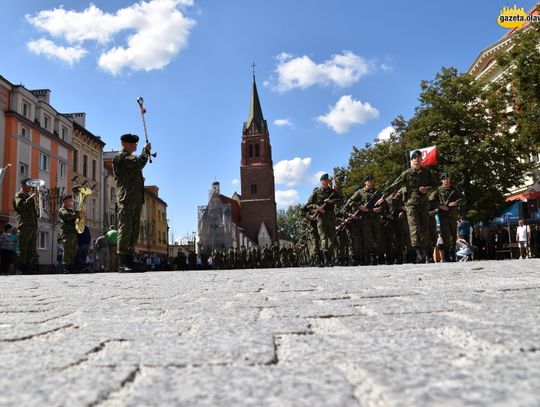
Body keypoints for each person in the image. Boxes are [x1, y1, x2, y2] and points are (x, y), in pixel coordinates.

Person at [376, 150, 438, 263]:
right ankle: (418, 254)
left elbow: (435, 185)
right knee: (414, 228)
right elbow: (395, 185)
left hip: (424, 204)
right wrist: (383, 197)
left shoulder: (427, 173)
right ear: (411, 160)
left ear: (421, 159)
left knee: (425, 228)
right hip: (411, 204)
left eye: (418, 157)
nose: (416, 159)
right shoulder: (407, 173)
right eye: (414, 158)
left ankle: (427, 253)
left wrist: (427, 189)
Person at [112, 133, 151, 272]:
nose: (135, 145)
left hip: (135, 198)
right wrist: (145, 151)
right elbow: (138, 163)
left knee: (134, 230)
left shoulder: (130, 157)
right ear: (123, 143)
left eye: (136, 143)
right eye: (132, 143)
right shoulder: (121, 156)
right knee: (126, 228)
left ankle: (129, 258)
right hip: (126, 198)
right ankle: (122, 262)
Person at [306, 173, 342, 266]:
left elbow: (340, 200)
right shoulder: (317, 192)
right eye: (324, 180)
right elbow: (309, 204)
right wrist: (317, 207)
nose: (326, 181)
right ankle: (325, 258)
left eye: (327, 180)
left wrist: (331, 201)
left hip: (330, 216)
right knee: (323, 237)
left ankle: (329, 257)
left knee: (332, 237)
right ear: (321, 181)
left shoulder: (332, 192)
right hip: (321, 217)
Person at [13, 178, 38, 274]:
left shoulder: (29, 196)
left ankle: (28, 269)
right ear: (23, 185)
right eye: (29, 184)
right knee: (23, 248)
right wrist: (31, 198)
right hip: (24, 226)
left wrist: (36, 200)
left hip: (33, 225)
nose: (31, 187)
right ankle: (20, 269)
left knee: (31, 249)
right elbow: (20, 207)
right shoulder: (19, 195)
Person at [58, 194, 80, 273]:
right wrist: (76, 214)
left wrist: (80, 217)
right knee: (67, 250)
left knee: (73, 251)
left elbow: (75, 220)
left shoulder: (71, 210)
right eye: (70, 200)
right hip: (66, 233)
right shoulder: (62, 209)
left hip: (73, 233)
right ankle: (66, 267)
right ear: (65, 201)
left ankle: (71, 266)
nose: (71, 201)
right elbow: (67, 216)